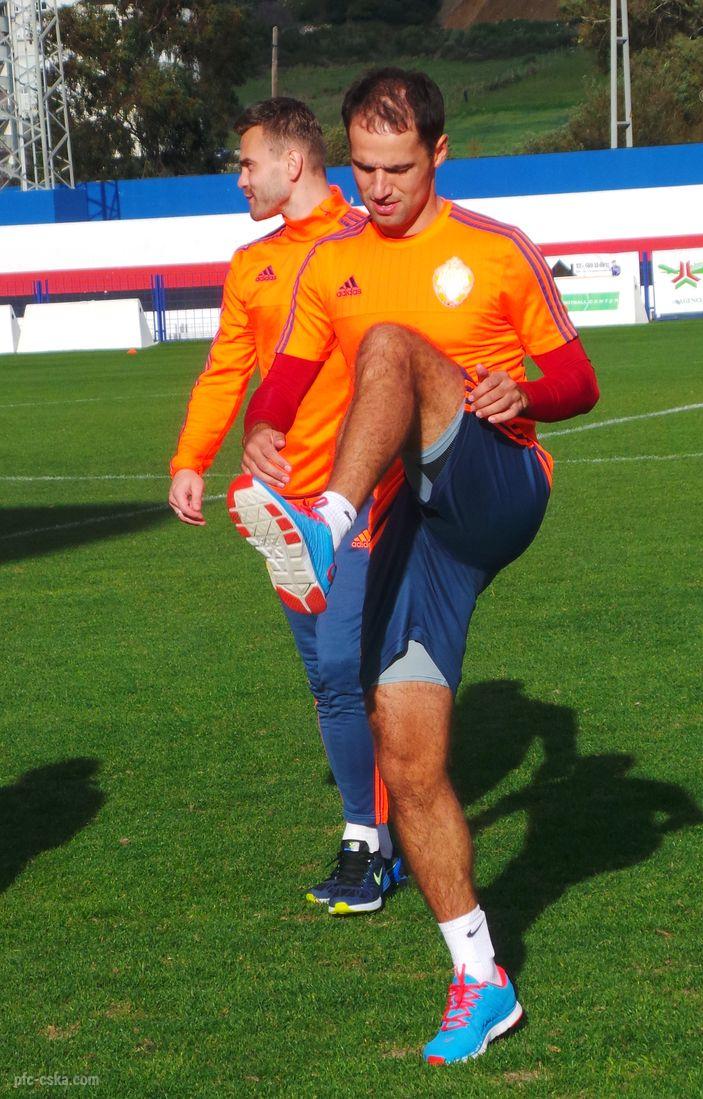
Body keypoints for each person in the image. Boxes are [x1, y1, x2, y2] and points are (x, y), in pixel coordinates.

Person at [230, 69, 599, 1063]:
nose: (379, 187)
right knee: (409, 756)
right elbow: (288, 376)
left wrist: (517, 390)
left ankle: (324, 526)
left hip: (495, 485)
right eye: (364, 167)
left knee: (391, 346)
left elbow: (577, 380)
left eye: (398, 167)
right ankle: (480, 978)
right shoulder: (332, 261)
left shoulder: (494, 249)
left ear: (438, 153)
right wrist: (263, 427)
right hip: (416, 527)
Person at [168, 97, 404, 916]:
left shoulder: (370, 240)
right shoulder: (252, 265)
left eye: (247, 163)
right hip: (280, 507)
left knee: (341, 669)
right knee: (327, 680)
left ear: (292, 162)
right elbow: (226, 369)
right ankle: (381, 836)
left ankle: (362, 842)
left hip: (363, 496)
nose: (239, 179)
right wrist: (192, 458)